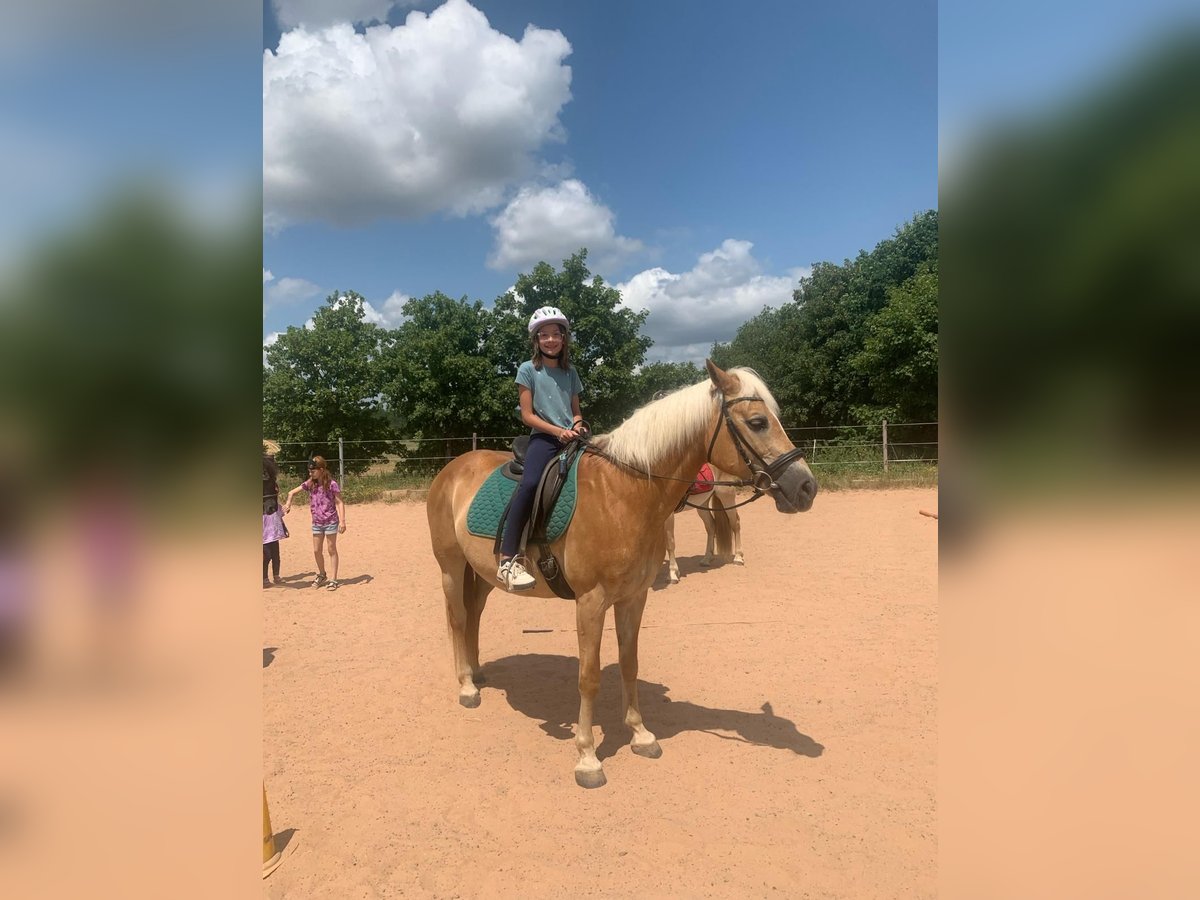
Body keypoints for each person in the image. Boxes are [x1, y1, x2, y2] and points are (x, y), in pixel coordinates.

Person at [497, 306, 587, 591]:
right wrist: (557, 431)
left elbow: (575, 410)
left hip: (572, 436)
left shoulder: (570, 371)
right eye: (544, 335)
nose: (551, 340)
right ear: (537, 340)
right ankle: (508, 558)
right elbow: (528, 415)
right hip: (545, 439)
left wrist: (578, 424)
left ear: (564, 338)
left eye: (556, 334)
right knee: (530, 484)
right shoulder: (528, 370)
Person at [284, 455, 346, 590]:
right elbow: (291, 492)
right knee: (316, 550)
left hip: (330, 521)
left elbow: (340, 502)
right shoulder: (310, 483)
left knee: (331, 549)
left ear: (321, 470)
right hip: (317, 522)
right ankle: (322, 574)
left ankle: (333, 579)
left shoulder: (332, 484)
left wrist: (342, 521)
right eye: (309, 471)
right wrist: (288, 504)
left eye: (313, 471)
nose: (310, 473)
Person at [262, 441, 288, 587]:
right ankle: (264, 577)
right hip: (265, 532)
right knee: (266, 553)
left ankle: (275, 575)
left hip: (273, 529)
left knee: (274, 553)